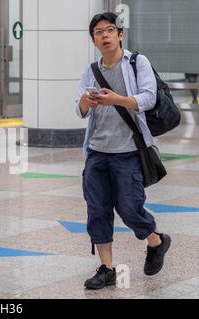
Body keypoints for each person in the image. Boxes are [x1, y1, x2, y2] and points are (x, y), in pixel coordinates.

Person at [74, 12, 171, 290]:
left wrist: (118, 99)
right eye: (98, 32)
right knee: (97, 210)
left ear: (120, 35)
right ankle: (107, 268)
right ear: (93, 39)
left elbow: (149, 97)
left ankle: (156, 240)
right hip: (96, 152)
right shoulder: (91, 70)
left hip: (128, 151)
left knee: (129, 207)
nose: (104, 35)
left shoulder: (137, 62)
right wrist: (85, 102)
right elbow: (78, 109)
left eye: (109, 30)